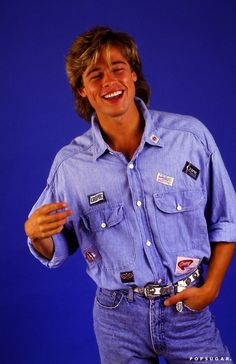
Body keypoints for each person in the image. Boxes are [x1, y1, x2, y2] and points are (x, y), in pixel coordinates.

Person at [25, 26, 236, 363]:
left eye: (117, 68)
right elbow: (57, 244)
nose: (109, 80)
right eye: (95, 74)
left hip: (188, 313)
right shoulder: (71, 166)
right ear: (82, 90)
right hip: (117, 320)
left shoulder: (191, 139)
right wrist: (36, 236)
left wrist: (212, 287)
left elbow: (226, 220)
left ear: (134, 74)